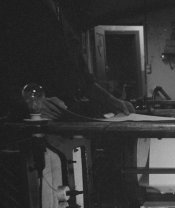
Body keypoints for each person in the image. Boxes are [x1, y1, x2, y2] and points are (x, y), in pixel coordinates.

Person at [0, 0, 134, 122]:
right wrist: (30, 102)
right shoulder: (14, 8)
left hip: (67, 120)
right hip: (28, 125)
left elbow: (84, 79)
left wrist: (113, 101)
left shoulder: (66, 12)